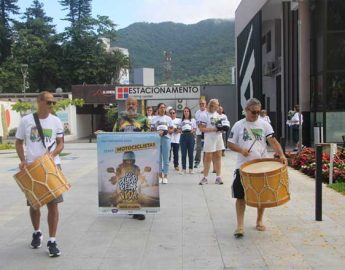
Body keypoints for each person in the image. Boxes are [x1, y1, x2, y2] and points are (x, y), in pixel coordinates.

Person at [228, 98, 287, 238]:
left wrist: (282, 154)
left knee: (263, 194)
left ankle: (259, 219)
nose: (256, 115)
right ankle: (240, 225)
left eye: (258, 112)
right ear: (246, 110)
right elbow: (230, 144)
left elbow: (272, 140)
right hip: (243, 166)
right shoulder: (238, 125)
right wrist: (241, 150)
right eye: (253, 112)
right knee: (240, 196)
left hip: (261, 164)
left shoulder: (264, 124)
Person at [15, 91, 64, 257]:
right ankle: (37, 232)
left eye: (53, 103)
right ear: (39, 101)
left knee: (53, 204)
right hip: (32, 168)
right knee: (34, 205)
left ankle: (52, 240)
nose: (51, 105)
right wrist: (23, 160)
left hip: (51, 167)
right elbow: (18, 142)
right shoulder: (26, 121)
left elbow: (60, 143)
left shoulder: (56, 121)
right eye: (49, 102)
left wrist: (52, 155)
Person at [113, 96, 149, 220]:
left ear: (137, 105)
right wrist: (101, 133)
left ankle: (137, 208)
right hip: (125, 155)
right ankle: (130, 205)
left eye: (133, 104)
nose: (131, 106)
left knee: (137, 181)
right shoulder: (120, 120)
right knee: (125, 181)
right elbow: (113, 135)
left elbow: (150, 135)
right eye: (129, 104)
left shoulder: (143, 119)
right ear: (125, 105)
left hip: (139, 155)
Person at [198, 99, 227, 185]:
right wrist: (214, 129)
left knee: (218, 156)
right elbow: (201, 129)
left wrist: (222, 130)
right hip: (209, 138)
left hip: (218, 137)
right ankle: (205, 177)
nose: (218, 106)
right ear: (211, 105)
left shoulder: (218, 115)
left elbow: (220, 127)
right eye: (216, 105)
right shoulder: (204, 115)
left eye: (218, 105)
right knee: (208, 158)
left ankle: (218, 177)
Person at [151, 103, 174, 184]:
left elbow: (172, 130)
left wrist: (166, 132)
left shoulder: (168, 118)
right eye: (161, 107)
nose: (163, 109)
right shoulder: (154, 118)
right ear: (158, 109)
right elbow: (152, 129)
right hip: (157, 139)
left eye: (164, 107)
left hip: (166, 139)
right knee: (158, 159)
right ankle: (160, 175)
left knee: (166, 158)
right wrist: (157, 132)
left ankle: (165, 176)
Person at [179, 107, 197, 174]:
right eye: (185, 111)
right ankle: (183, 169)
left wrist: (193, 130)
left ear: (189, 112)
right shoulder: (181, 120)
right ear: (183, 113)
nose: (186, 112)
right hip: (183, 136)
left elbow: (195, 128)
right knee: (183, 153)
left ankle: (191, 168)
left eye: (187, 111)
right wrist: (180, 131)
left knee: (190, 153)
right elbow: (179, 128)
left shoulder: (192, 120)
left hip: (190, 136)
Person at [194, 98, 207, 168]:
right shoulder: (197, 112)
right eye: (200, 104)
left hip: (207, 132)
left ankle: (206, 162)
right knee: (198, 147)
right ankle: (197, 161)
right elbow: (196, 122)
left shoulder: (208, 112)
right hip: (199, 133)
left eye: (203, 103)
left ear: (206, 104)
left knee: (207, 148)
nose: (202, 105)